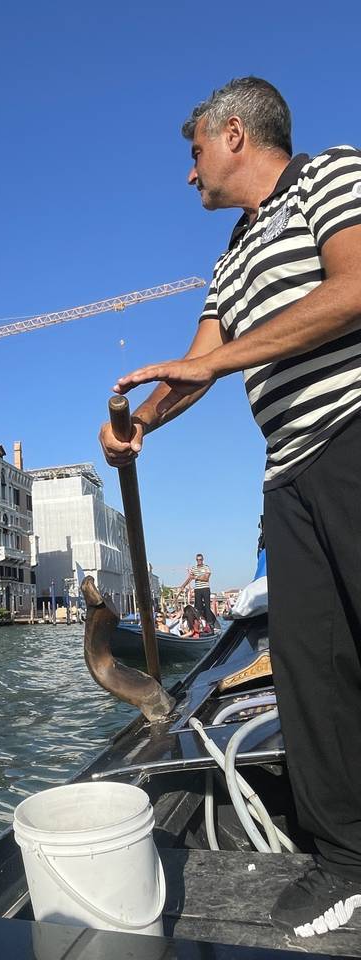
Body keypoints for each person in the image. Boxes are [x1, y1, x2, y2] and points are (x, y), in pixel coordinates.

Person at [99, 76, 361, 936]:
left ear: (236, 136)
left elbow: (355, 285)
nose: (190, 174)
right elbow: (199, 362)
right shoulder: (231, 257)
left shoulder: (332, 177)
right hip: (287, 472)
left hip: (354, 433)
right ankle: (346, 865)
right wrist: (137, 425)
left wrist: (216, 364)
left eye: (194, 153)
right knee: (314, 674)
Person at [177, 553, 217, 628]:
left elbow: (206, 578)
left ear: (203, 560)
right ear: (196, 560)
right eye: (198, 560)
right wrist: (183, 585)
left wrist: (195, 577)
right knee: (198, 607)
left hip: (205, 589)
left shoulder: (206, 567)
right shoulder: (193, 568)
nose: (199, 561)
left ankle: (210, 623)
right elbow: (190, 578)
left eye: (200, 559)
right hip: (197, 589)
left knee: (207, 606)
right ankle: (199, 622)